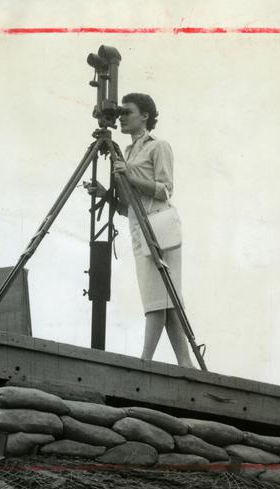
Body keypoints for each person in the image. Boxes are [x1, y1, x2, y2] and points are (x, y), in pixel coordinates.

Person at [86, 93, 194, 368]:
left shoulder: (158, 147)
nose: (122, 117)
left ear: (145, 116)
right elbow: (127, 206)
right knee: (165, 300)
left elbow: (165, 189)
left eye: (128, 112)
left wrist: (129, 174)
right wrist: (105, 194)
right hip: (139, 228)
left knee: (157, 298)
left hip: (159, 226)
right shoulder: (129, 152)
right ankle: (185, 363)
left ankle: (145, 361)